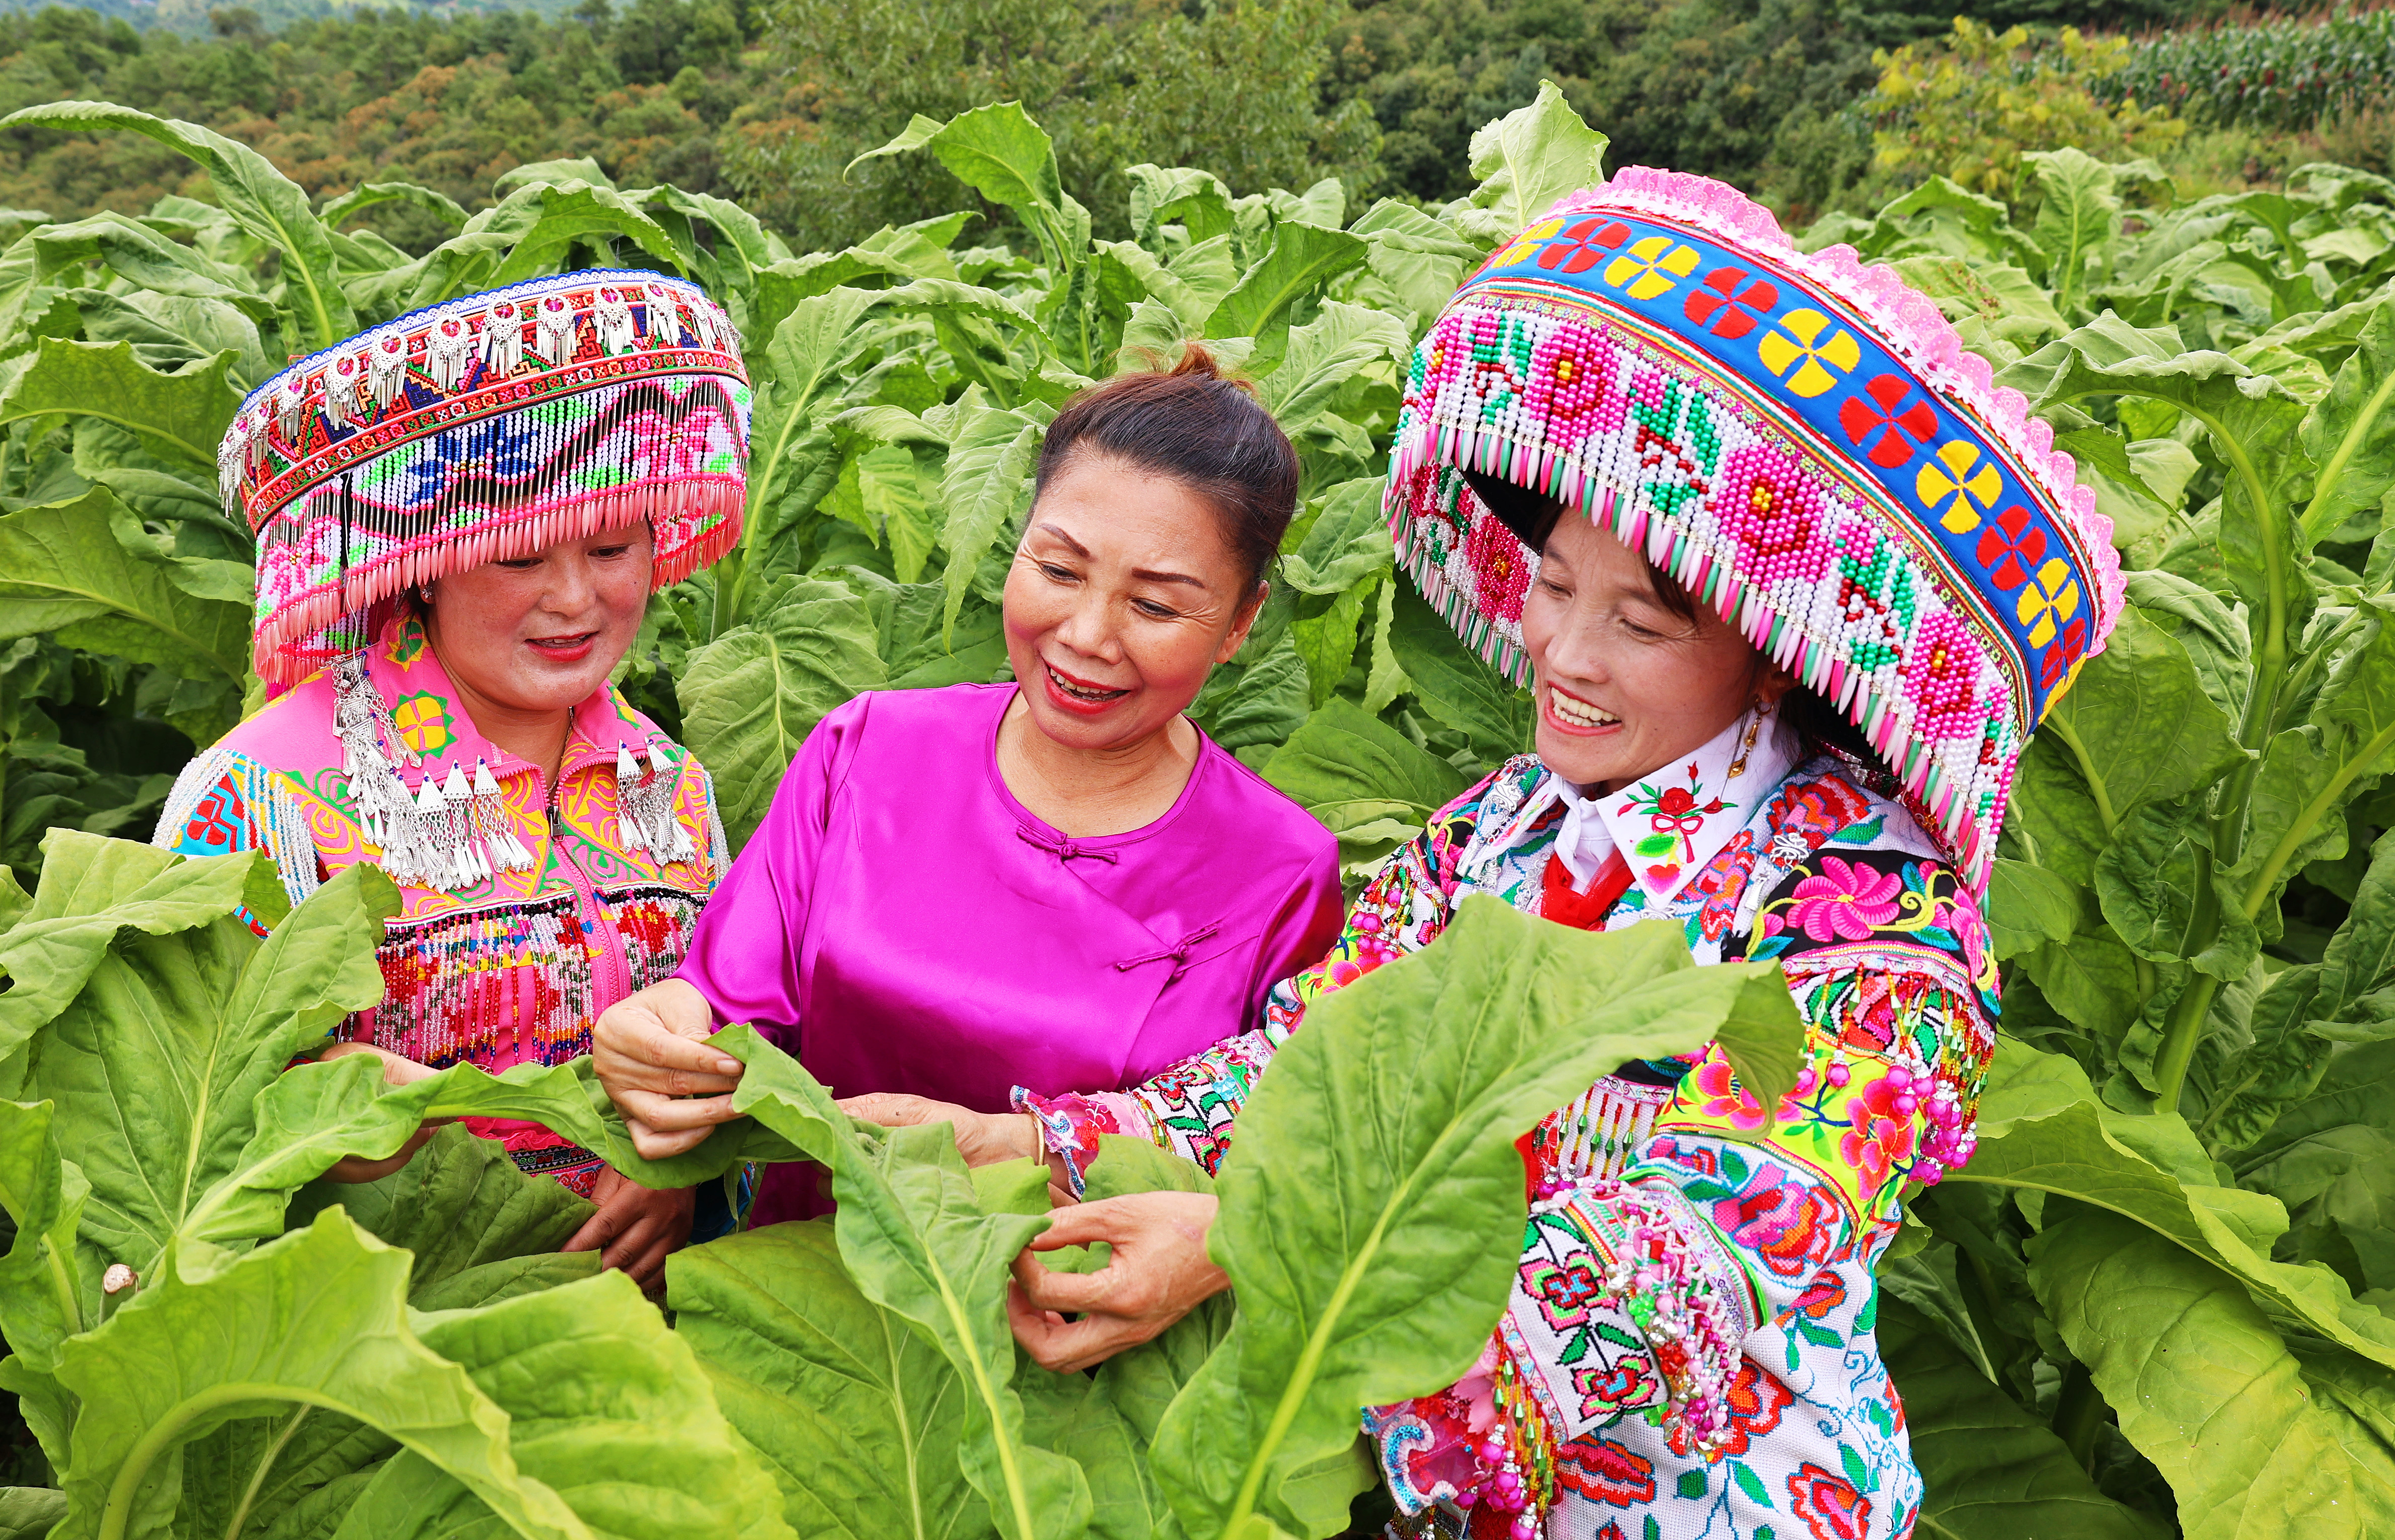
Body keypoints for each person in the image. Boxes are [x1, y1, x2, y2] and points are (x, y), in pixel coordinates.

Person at [994, 169, 2123, 1539]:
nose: (1565, 656)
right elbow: (1315, 1068)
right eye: (1554, 584)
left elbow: (1720, 1236)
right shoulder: (1498, 830)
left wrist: (1251, 1249)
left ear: (1771, 665)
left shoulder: (1879, 915)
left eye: (1643, 626)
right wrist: (1032, 1148)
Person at [591, 346, 1346, 1222]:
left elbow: (1263, 1150)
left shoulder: (1280, 871)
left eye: (1156, 606)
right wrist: (662, 1032)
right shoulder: (868, 749)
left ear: (1240, 624)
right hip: (794, 1306)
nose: (1089, 635)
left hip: (1077, 1328)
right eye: (1060, 571)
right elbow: (728, 995)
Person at [152, 269, 751, 1287]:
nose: (576, 598)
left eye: (611, 547)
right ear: (425, 561)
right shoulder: (261, 798)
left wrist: (683, 1161)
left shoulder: (674, 788)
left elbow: (737, 1038)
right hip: (377, 1350)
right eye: (520, 558)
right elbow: (179, 1100)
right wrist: (368, 1111)